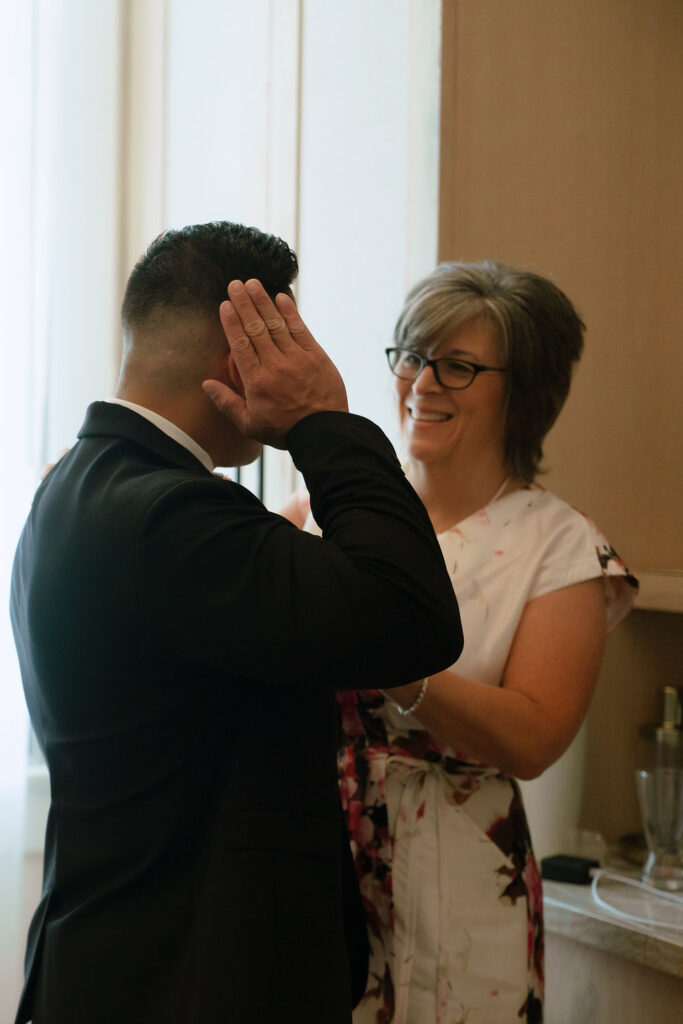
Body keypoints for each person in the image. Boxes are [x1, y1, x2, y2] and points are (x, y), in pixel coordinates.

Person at [10, 221, 464, 1024]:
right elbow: (411, 616)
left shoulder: (73, 488)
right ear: (242, 360)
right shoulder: (173, 517)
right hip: (188, 977)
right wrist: (326, 423)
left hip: (114, 960)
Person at [282, 260, 638, 1024]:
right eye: (411, 356)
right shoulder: (322, 516)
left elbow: (535, 736)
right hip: (314, 857)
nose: (423, 383)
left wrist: (391, 664)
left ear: (525, 392)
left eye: (458, 366)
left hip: (465, 873)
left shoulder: (561, 547)